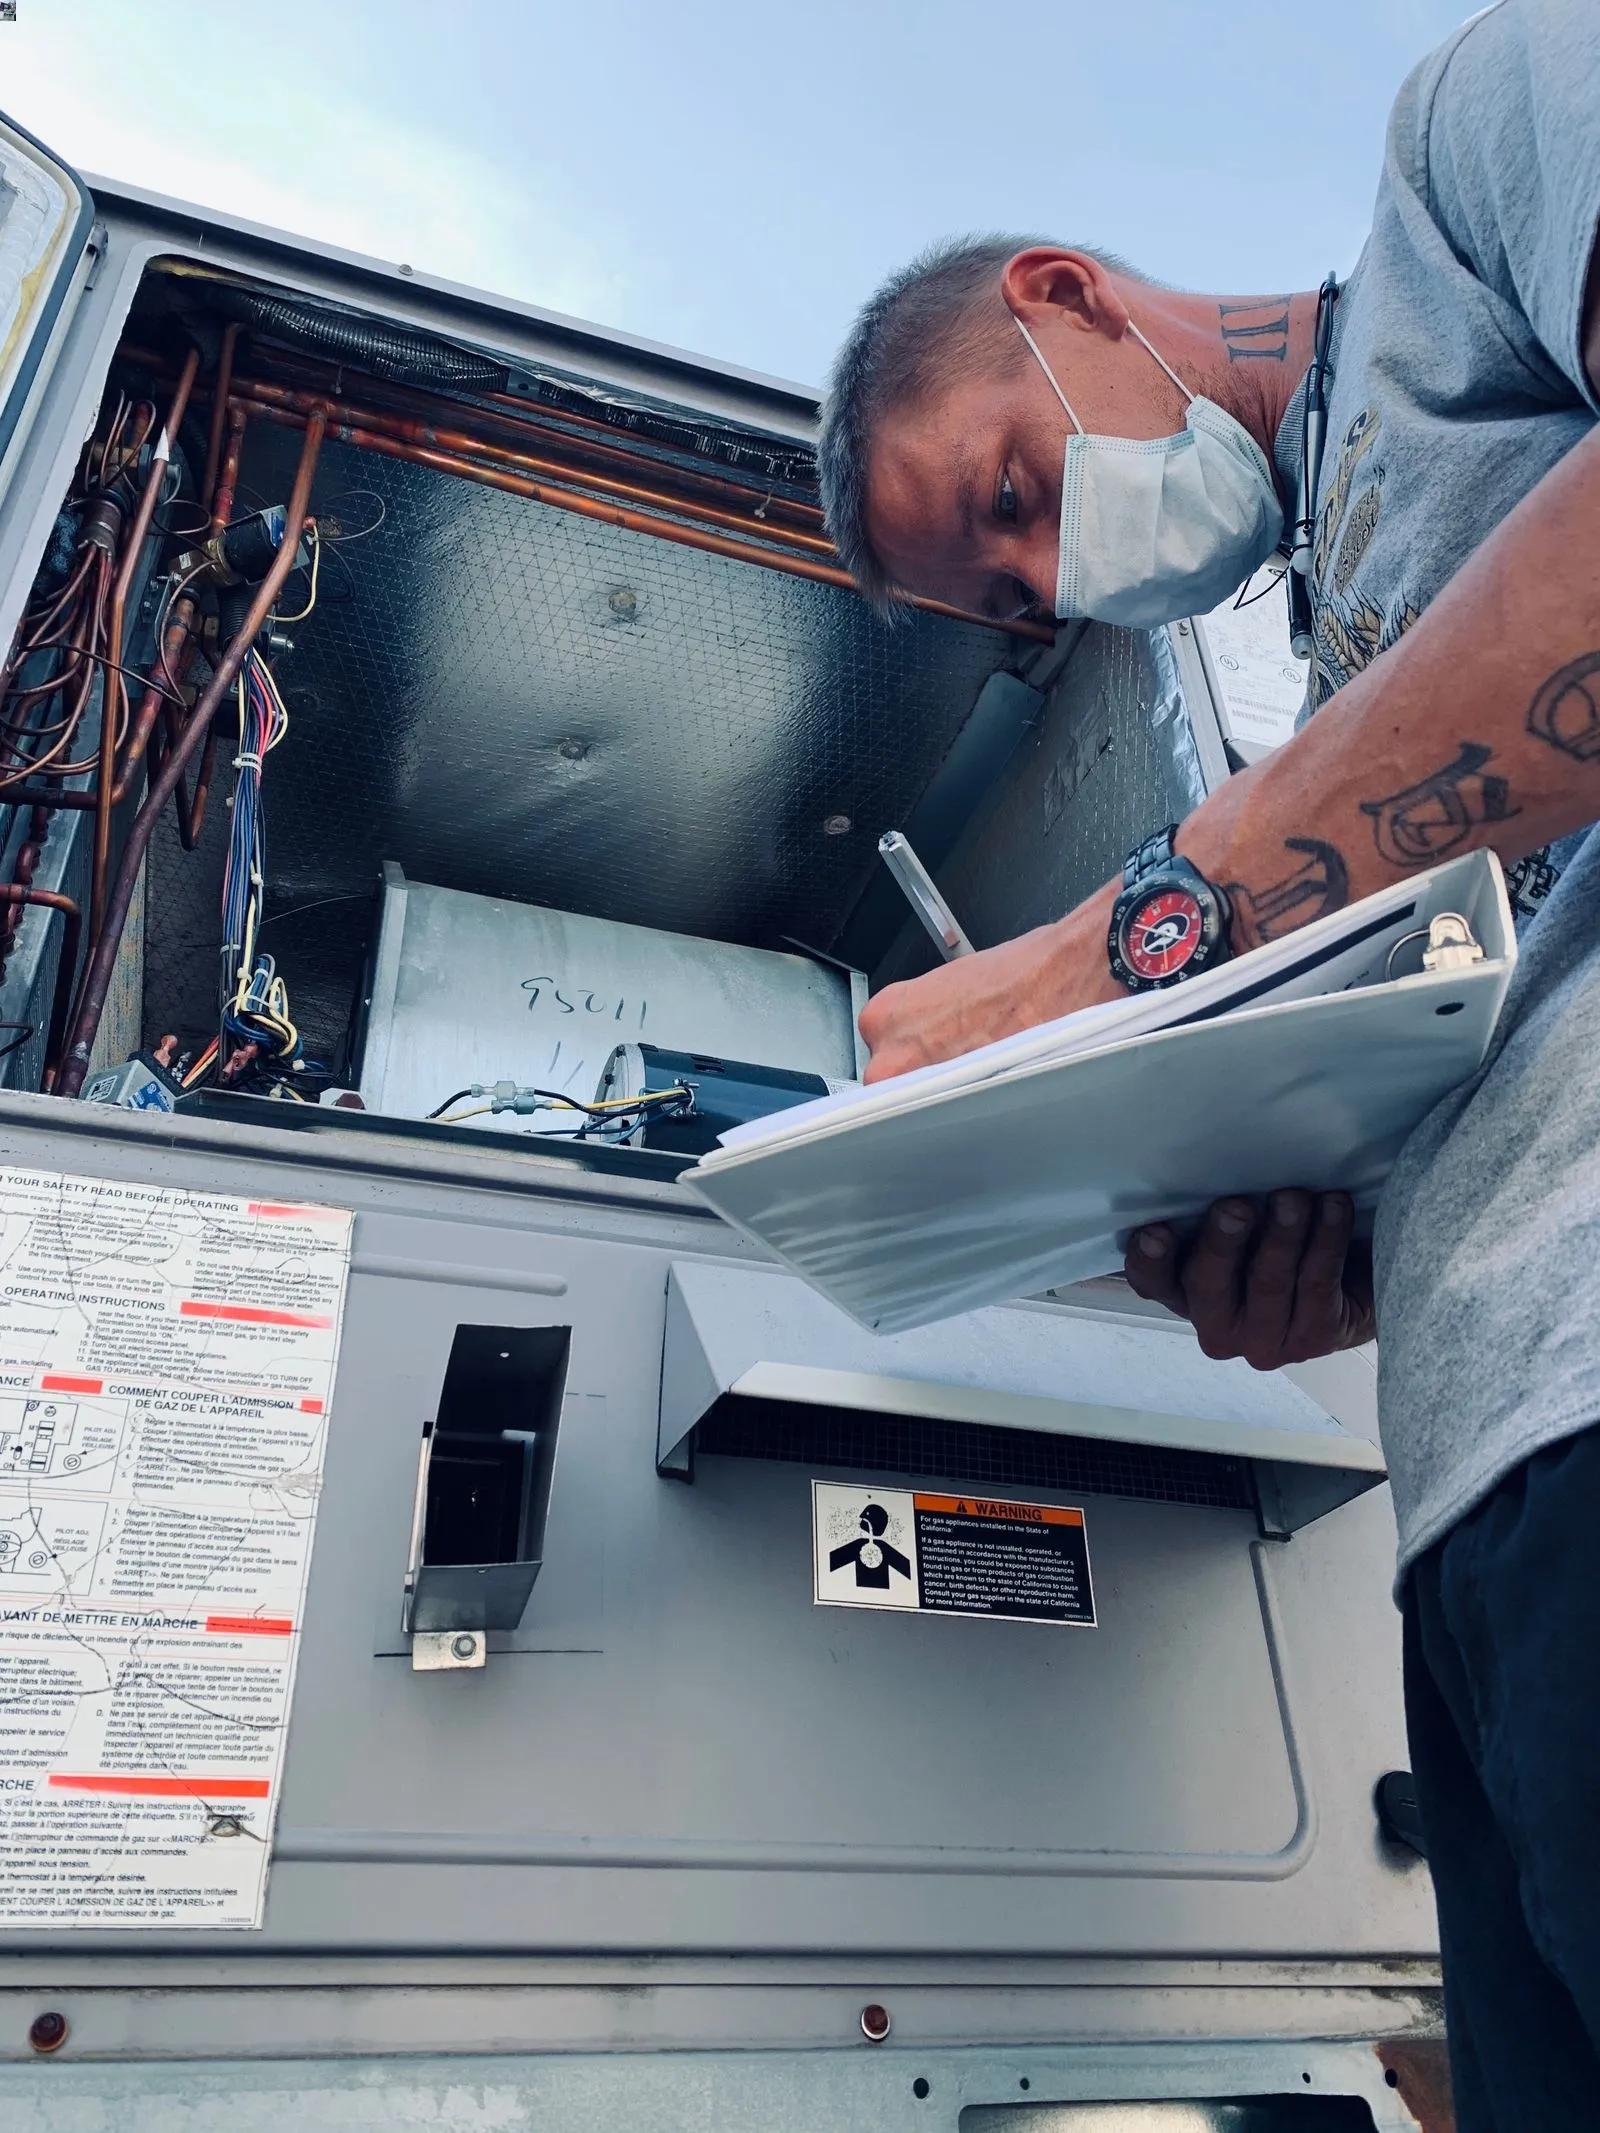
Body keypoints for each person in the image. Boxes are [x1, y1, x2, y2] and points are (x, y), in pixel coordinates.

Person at [815, 3, 1600, 2124]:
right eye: (1002, 592)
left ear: (1061, 296)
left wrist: (1121, 948)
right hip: (1477, 1522)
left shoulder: (1471, 139)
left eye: (1006, 492)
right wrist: (1310, 1247)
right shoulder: (1321, 669)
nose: (1048, 576)